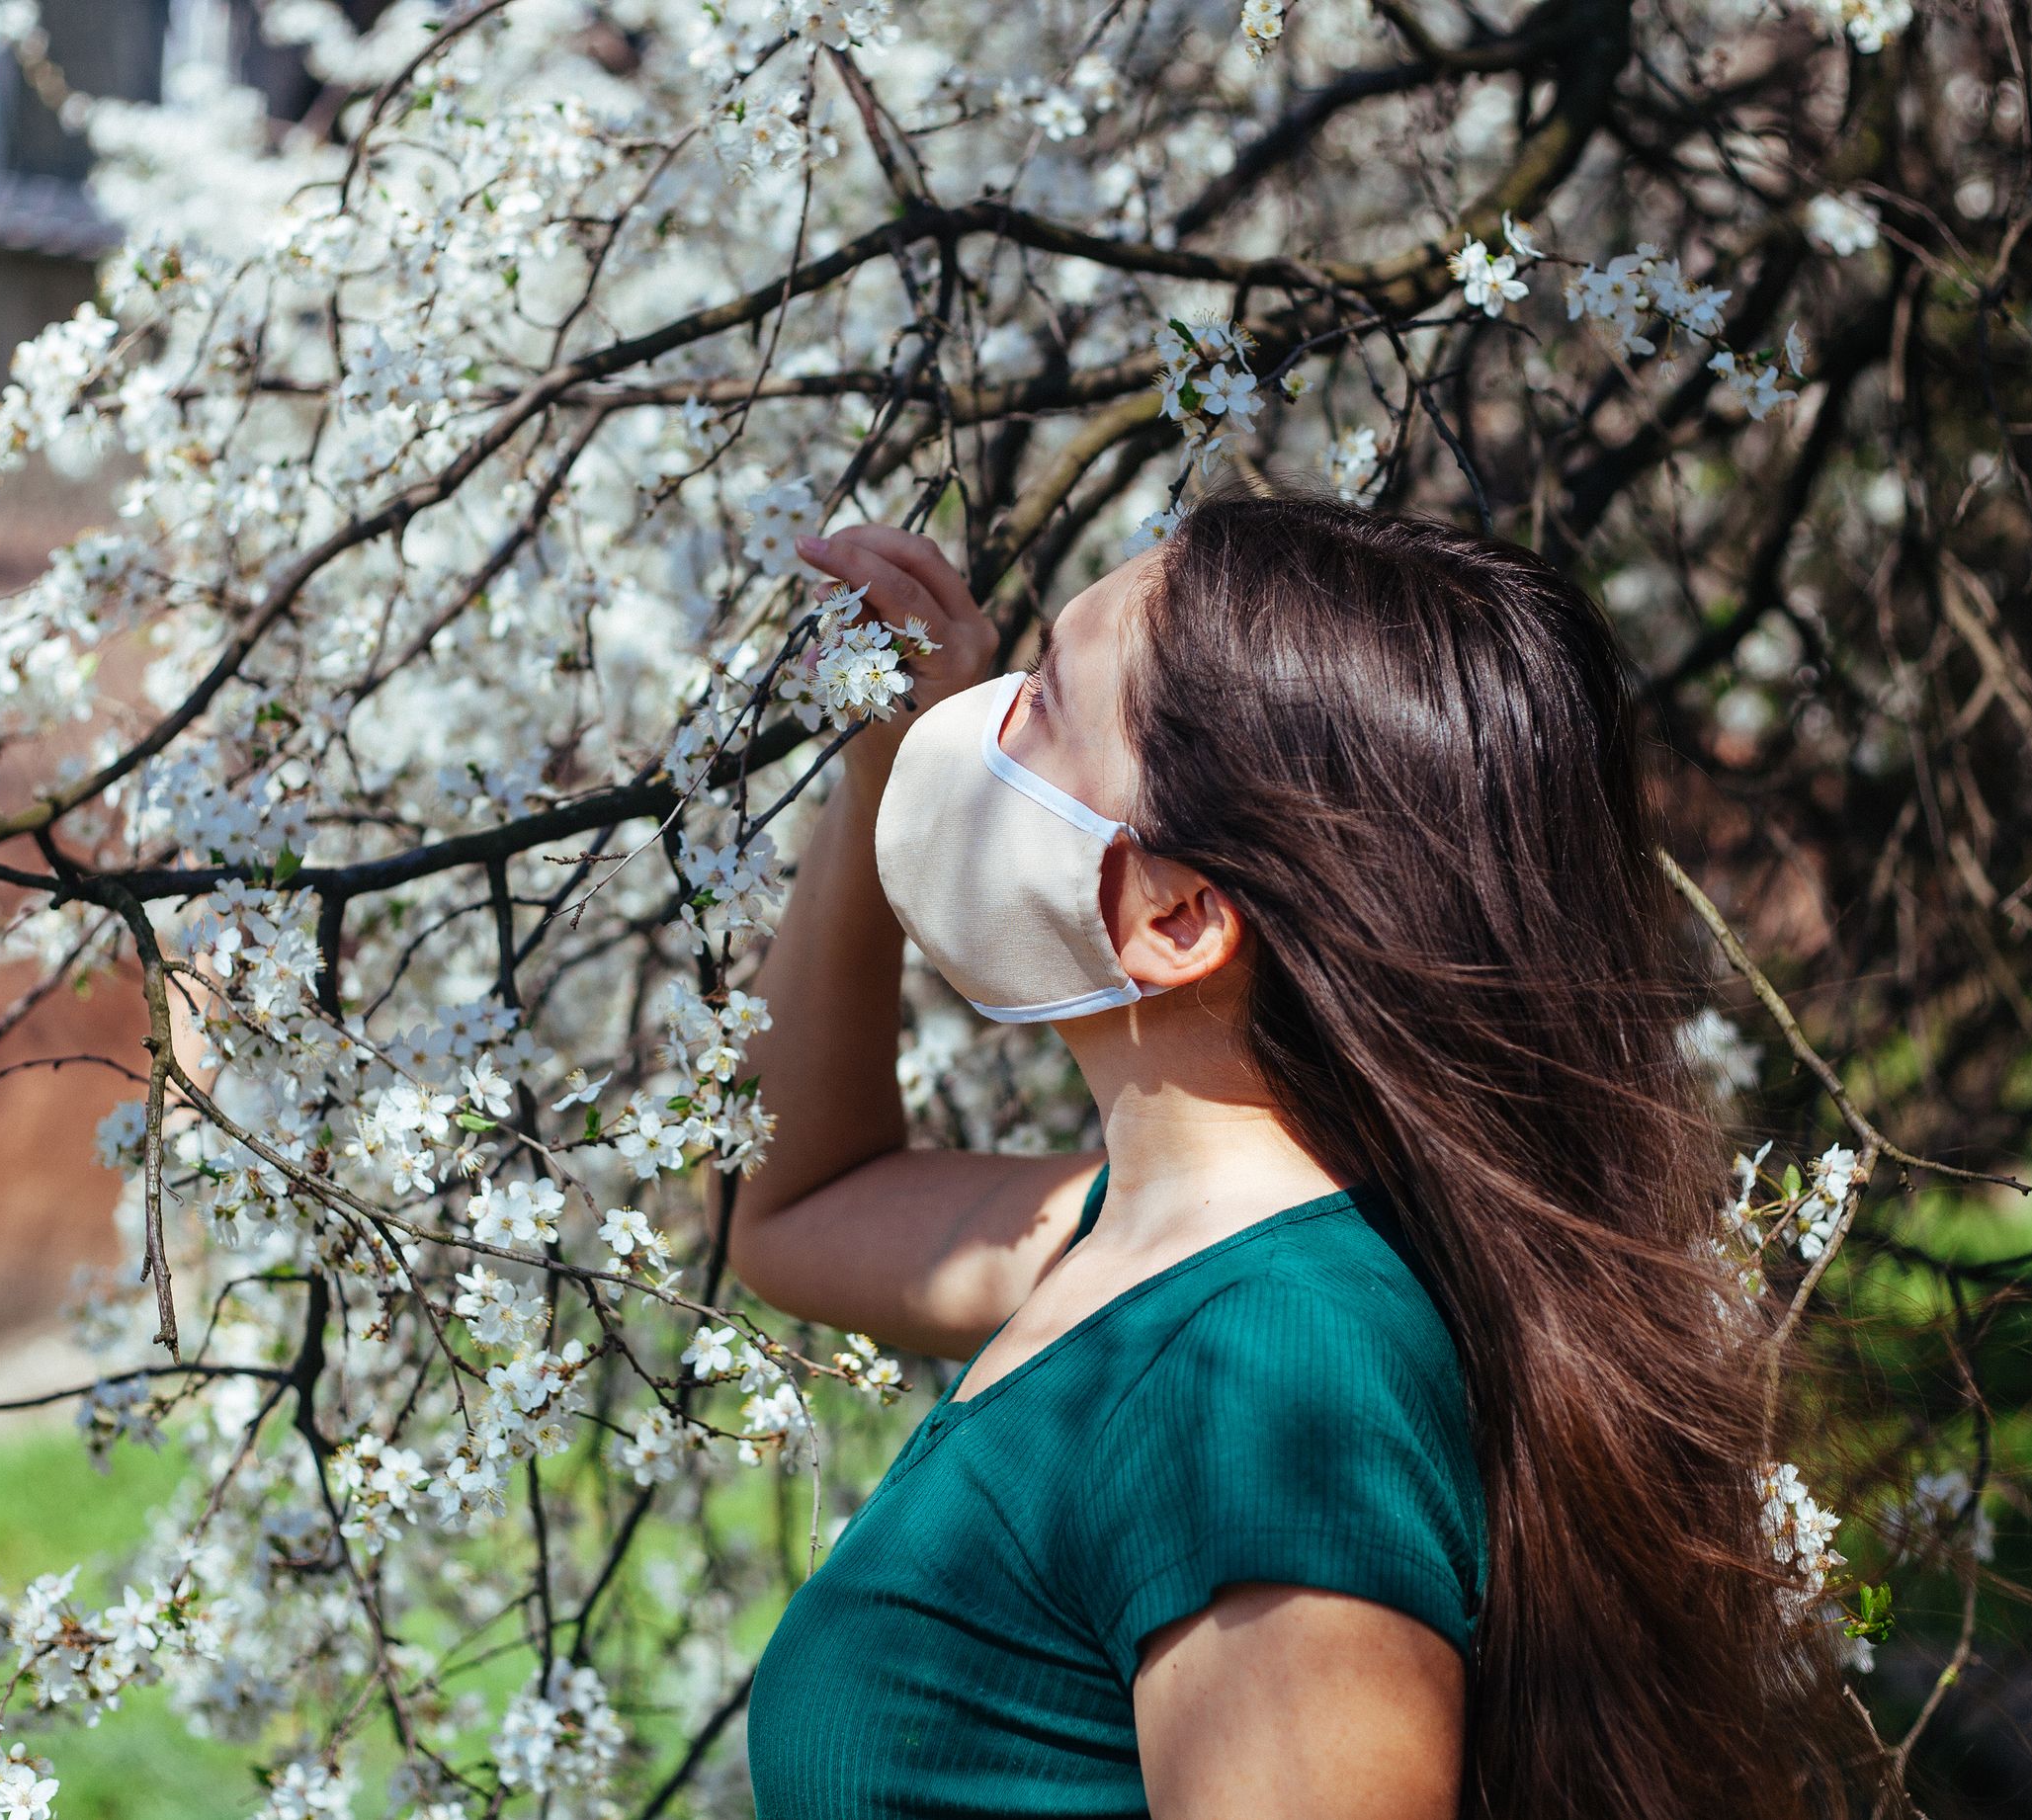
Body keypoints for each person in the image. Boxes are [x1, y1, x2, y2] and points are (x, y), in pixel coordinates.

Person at [729, 494, 1843, 1820]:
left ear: (1182, 910)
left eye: (1042, 701)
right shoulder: (1149, 1250)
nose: (983, 716)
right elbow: (795, 1205)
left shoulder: (1258, 1377)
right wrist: (883, 774)